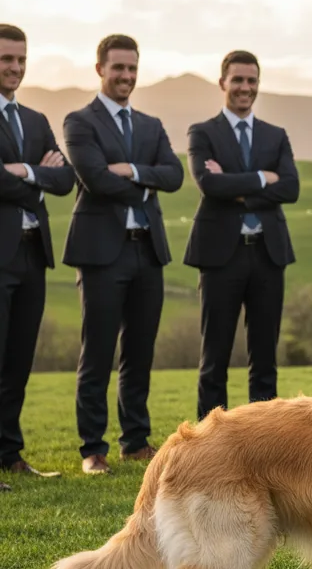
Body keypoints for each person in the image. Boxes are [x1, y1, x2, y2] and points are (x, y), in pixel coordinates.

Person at [63, 34, 184, 474]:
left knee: (139, 351)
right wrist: (146, 183)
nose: (126, 76)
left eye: (132, 68)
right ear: (100, 69)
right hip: (100, 253)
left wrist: (131, 170)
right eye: (118, 68)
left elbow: (175, 175)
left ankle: (134, 441)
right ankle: (92, 449)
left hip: (147, 250)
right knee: (97, 352)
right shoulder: (80, 122)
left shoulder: (151, 125)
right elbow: (96, 180)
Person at [184, 50, 300, 420]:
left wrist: (235, 187)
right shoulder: (202, 132)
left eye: (251, 80)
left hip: (268, 254)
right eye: (237, 80)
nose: (245, 87)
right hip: (220, 255)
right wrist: (264, 178)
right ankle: (207, 441)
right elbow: (209, 184)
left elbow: (291, 188)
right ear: (223, 83)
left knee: (264, 359)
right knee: (214, 356)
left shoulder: (275, 135)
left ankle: (262, 441)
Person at [0, 24, 76, 487]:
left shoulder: (35, 119)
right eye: (6, 59)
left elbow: (66, 179)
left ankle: (9, 453)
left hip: (33, 254)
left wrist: (23, 171)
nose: (15, 67)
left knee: (18, 359)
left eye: (20, 60)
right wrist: (38, 178)